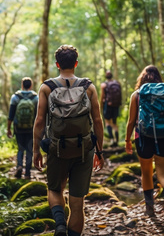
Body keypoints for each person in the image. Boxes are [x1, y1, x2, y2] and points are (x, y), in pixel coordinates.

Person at [33, 45, 104, 236]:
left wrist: (35, 151)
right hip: (84, 148)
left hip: (57, 148)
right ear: (76, 63)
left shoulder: (47, 88)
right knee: (77, 202)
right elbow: (97, 120)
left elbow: (39, 121)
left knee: (55, 190)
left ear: (57, 64)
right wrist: (99, 151)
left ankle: (60, 225)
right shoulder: (88, 87)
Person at [124, 65, 164, 225]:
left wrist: (127, 140)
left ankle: (150, 209)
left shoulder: (137, 94)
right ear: (158, 78)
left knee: (146, 172)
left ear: (142, 78)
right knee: (163, 173)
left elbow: (131, 121)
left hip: (143, 137)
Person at [7, 77, 38, 179]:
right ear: (31, 85)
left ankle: (19, 166)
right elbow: (39, 115)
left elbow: (11, 115)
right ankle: (28, 173)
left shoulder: (15, 97)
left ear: (22, 85)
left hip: (18, 127)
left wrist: (9, 129)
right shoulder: (35, 98)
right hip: (31, 128)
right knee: (29, 149)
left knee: (20, 148)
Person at [100, 70, 122, 147]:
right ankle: (117, 140)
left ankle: (112, 140)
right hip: (116, 106)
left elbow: (102, 96)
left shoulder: (104, 85)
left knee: (107, 122)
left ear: (106, 76)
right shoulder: (117, 83)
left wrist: (101, 106)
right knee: (115, 123)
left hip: (108, 105)